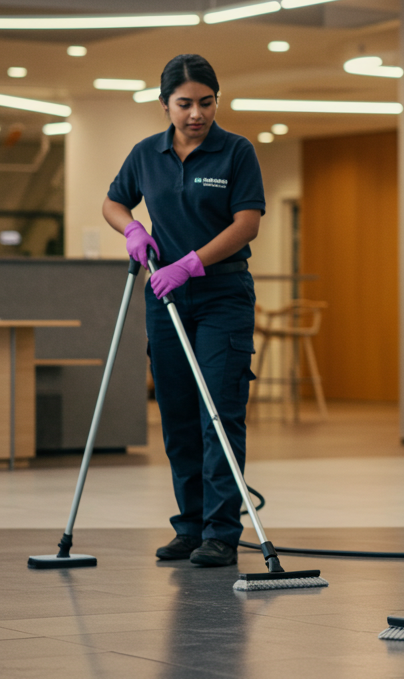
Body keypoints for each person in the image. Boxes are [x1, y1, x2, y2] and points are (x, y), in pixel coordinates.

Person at [102, 54, 266, 568]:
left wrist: (192, 262)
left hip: (222, 293)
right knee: (177, 414)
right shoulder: (145, 154)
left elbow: (247, 223)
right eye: (185, 104)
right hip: (166, 298)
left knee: (218, 412)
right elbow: (113, 202)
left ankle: (221, 531)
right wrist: (132, 228)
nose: (197, 113)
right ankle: (190, 527)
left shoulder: (235, 152)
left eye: (206, 102)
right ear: (164, 104)